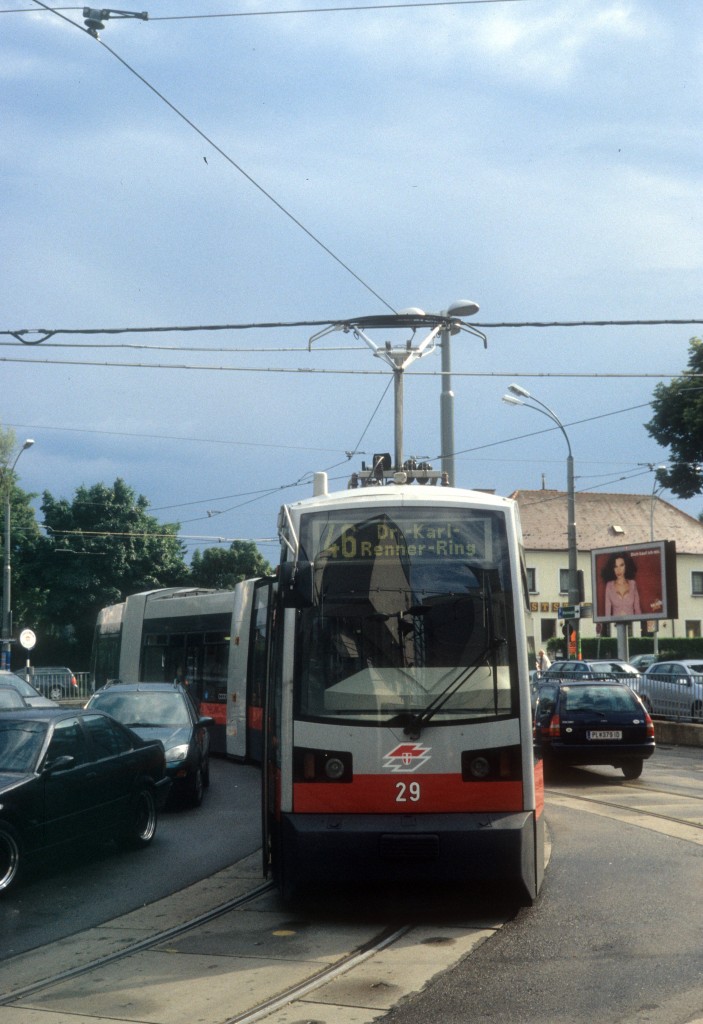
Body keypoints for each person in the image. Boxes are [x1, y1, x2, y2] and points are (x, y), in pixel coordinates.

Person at [601, 551, 641, 617]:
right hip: (615, 623)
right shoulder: (609, 586)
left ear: (626, 566)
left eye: (621, 565)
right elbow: (607, 613)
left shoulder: (633, 584)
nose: (618, 570)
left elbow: (638, 610)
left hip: (632, 623)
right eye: (615, 566)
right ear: (612, 568)